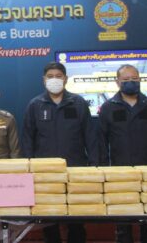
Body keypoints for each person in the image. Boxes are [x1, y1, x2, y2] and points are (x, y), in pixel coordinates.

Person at [22, 62, 99, 243]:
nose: (54, 79)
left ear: (65, 79)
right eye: (50, 76)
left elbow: (90, 136)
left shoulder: (78, 103)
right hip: (45, 173)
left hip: (75, 169)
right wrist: (28, 169)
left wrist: (94, 166)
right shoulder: (35, 105)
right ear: (44, 80)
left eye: (58, 76)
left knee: (77, 220)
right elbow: (27, 139)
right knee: (49, 220)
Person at [98, 64, 147, 243]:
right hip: (119, 175)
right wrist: (102, 170)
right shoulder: (108, 108)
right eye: (126, 79)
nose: (130, 82)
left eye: (134, 79)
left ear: (140, 80)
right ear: (117, 82)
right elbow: (101, 142)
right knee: (123, 225)